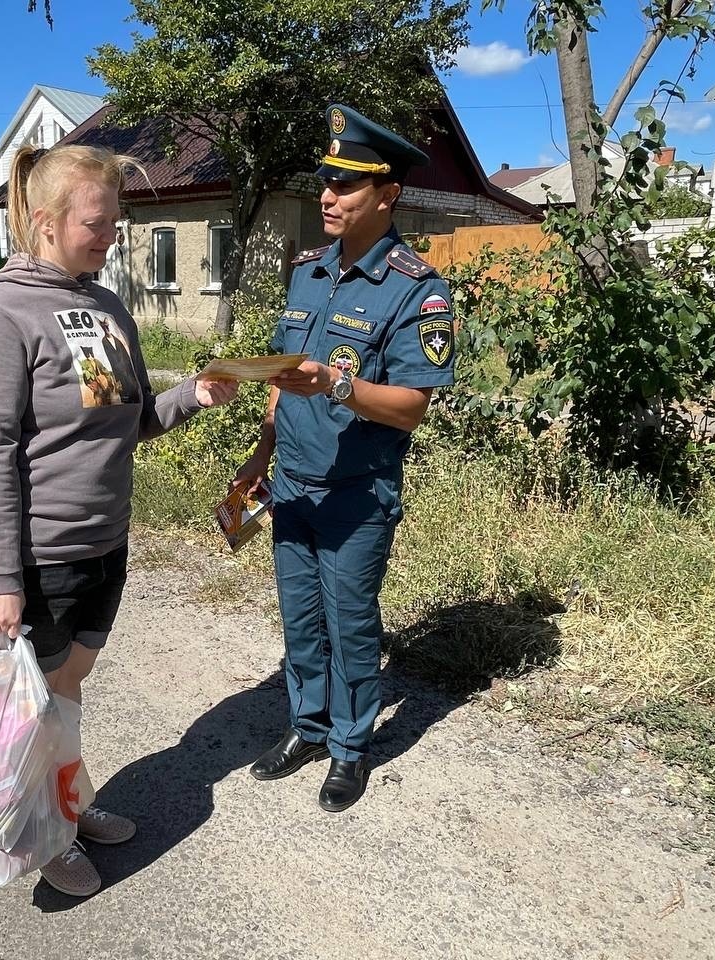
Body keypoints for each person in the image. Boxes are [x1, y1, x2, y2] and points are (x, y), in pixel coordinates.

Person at [0, 144, 238, 896]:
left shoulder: (105, 307)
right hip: (35, 555)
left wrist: (194, 395)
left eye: (115, 221)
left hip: (103, 540)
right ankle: (42, 839)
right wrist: (1, 580)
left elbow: (132, 418)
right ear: (46, 221)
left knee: (68, 690)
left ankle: (71, 805)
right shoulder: (3, 311)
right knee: (39, 708)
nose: (111, 235)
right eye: (97, 221)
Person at [232, 104, 456, 812]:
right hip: (294, 486)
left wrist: (338, 383)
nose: (327, 196)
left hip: (357, 494)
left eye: (347, 186)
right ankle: (308, 727)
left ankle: (351, 749)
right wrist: (256, 460)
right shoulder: (308, 273)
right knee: (300, 620)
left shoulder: (417, 289)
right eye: (327, 181)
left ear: (386, 195)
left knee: (349, 623)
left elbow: (413, 406)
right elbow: (281, 386)